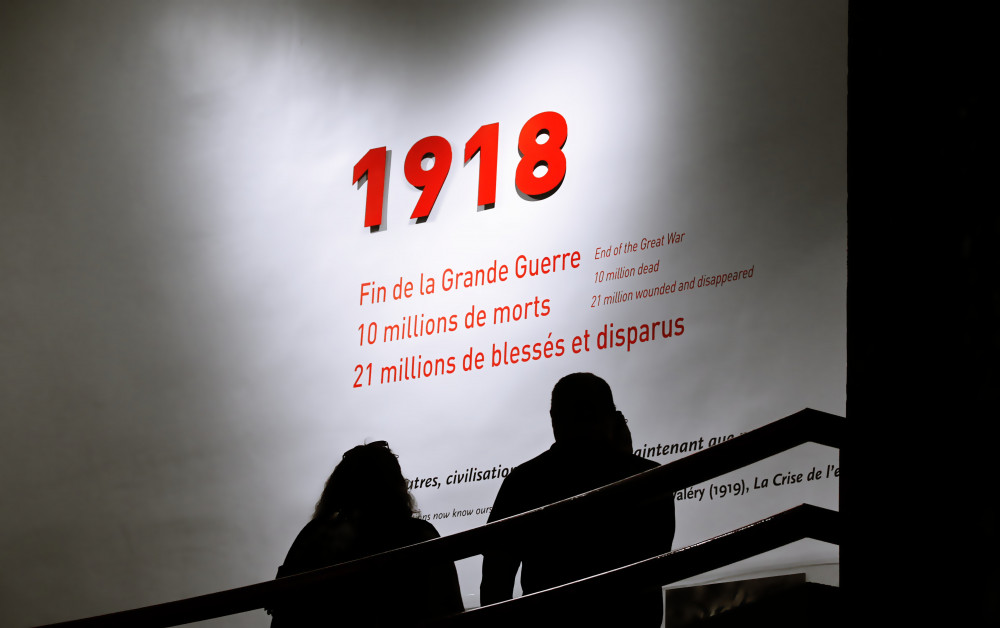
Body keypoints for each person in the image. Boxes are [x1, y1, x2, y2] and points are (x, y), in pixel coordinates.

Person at [480, 373, 675, 626]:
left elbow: (496, 577)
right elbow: (655, 556)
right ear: (613, 418)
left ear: (554, 418)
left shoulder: (523, 481)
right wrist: (627, 463)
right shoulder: (650, 477)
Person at [269, 441, 464, 627]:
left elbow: (282, 612)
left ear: (339, 489)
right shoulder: (421, 534)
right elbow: (450, 606)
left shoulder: (314, 536)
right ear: (397, 486)